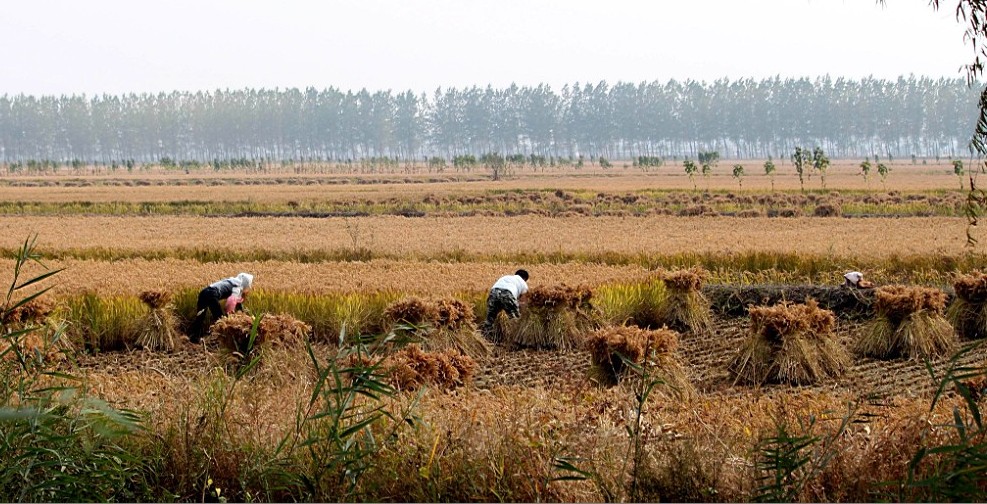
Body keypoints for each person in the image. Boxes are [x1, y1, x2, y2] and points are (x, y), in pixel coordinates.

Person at [189, 272, 253, 343]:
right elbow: (235, 304)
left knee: (200, 317)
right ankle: (219, 341)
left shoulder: (231, 281)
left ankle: (194, 338)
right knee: (220, 320)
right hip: (212, 294)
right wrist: (243, 316)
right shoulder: (237, 286)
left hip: (204, 292)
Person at [482, 269, 529, 340]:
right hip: (508, 294)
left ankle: (485, 340)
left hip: (494, 293)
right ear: (525, 279)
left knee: (490, 318)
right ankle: (516, 339)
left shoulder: (505, 277)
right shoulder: (524, 284)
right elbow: (523, 303)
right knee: (515, 318)